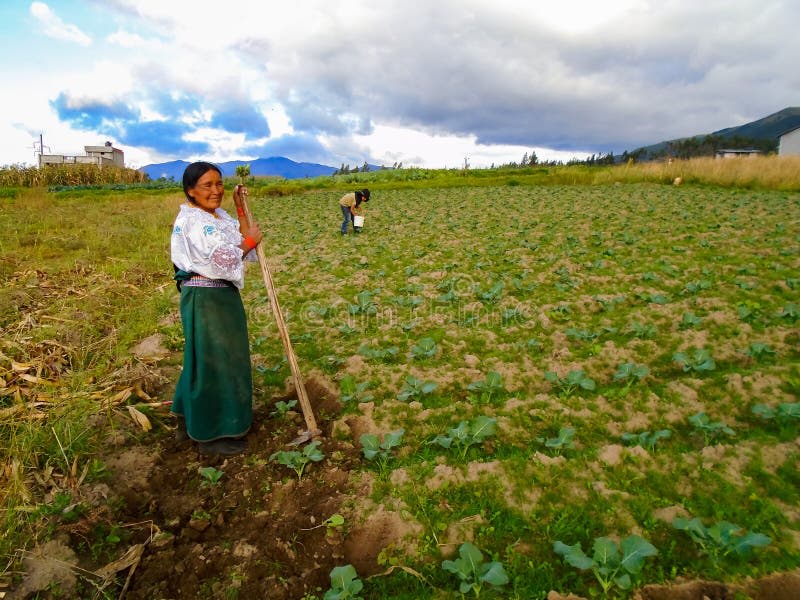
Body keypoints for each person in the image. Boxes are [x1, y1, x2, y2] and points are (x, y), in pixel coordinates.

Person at [170, 161, 263, 455]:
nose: (215, 191)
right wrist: (249, 241)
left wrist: (238, 207)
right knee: (215, 361)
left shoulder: (217, 216)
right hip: (205, 297)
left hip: (221, 296)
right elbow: (222, 259)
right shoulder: (193, 221)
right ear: (191, 191)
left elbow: (244, 241)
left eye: (219, 184)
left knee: (210, 356)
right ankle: (213, 434)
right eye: (207, 185)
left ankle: (190, 414)